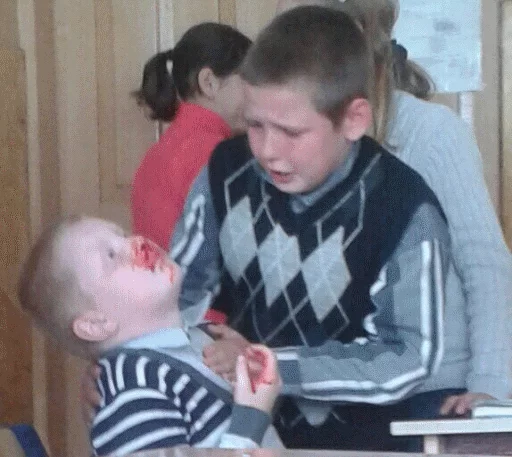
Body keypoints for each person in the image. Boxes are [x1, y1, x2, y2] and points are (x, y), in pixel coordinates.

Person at [171, 6, 461, 451]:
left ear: (354, 120)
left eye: (291, 132)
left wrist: (268, 366)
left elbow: (407, 358)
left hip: (360, 446)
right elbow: (173, 298)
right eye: (254, 125)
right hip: (246, 439)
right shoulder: (224, 174)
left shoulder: (405, 208)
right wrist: (136, 353)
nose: (267, 150)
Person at [273, 0, 512, 418]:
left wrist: (492, 388)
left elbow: (485, 265)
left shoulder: (432, 133)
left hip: (430, 396)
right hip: (324, 393)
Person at [17, 216, 282, 456]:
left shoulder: (198, 340)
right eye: (111, 256)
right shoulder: (132, 392)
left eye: (123, 234)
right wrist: (251, 418)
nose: (135, 243)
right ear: (96, 324)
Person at [131, 22, 251, 250]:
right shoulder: (218, 155)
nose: (257, 95)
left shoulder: (158, 152)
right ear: (209, 83)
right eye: (249, 81)